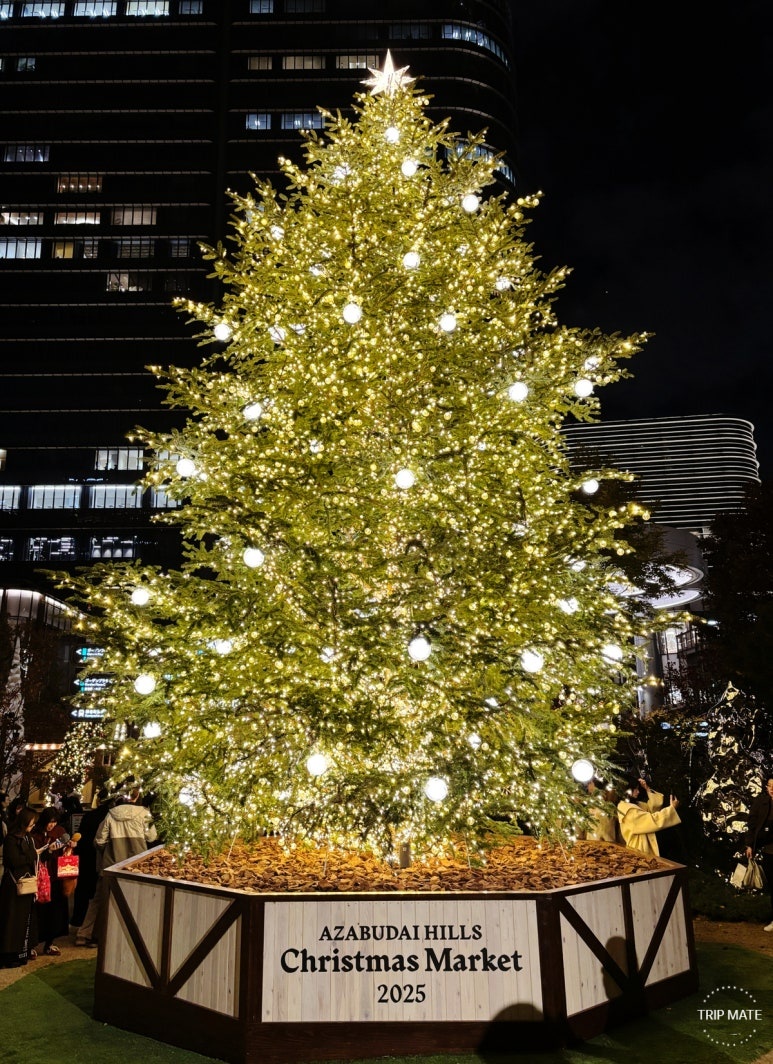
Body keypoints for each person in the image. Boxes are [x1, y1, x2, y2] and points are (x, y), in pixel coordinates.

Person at [76, 786, 156, 948]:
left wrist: (107, 850)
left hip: (111, 864)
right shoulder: (144, 814)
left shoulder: (111, 814)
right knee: (133, 900)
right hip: (136, 865)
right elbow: (152, 837)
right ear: (137, 797)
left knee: (99, 899)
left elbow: (99, 840)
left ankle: (84, 934)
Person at [32, 807, 74, 956]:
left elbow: (66, 851)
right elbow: (34, 856)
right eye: (50, 822)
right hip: (40, 878)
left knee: (55, 912)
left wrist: (70, 846)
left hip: (56, 876)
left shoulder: (60, 831)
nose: (52, 825)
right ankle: (32, 944)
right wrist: (48, 850)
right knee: (38, 912)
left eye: (54, 822)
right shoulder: (35, 833)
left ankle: (50, 943)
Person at [0, 807, 39, 968]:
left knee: (24, 920)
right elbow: (14, 861)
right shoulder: (11, 839)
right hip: (13, 884)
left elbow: (29, 857)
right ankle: (8, 955)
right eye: (30, 824)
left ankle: (22, 952)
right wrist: (32, 854)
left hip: (27, 883)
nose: (32, 826)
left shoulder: (28, 838)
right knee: (11, 920)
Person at [71, 788, 113, 930]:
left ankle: (78, 919)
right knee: (97, 893)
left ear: (99, 800)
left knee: (83, 890)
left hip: (86, 855)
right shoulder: (110, 817)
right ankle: (94, 925)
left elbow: (81, 834)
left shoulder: (89, 816)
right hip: (101, 856)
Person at [617, 777, 680, 857]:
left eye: (638, 789)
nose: (638, 791)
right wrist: (671, 809)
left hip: (643, 848)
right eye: (635, 789)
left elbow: (653, 809)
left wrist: (647, 788)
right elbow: (653, 820)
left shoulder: (634, 805)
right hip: (639, 850)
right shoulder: (628, 810)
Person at [744, 775, 773, 932]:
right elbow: (752, 824)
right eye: (769, 786)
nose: (772, 789)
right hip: (769, 851)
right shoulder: (761, 802)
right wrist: (750, 845)